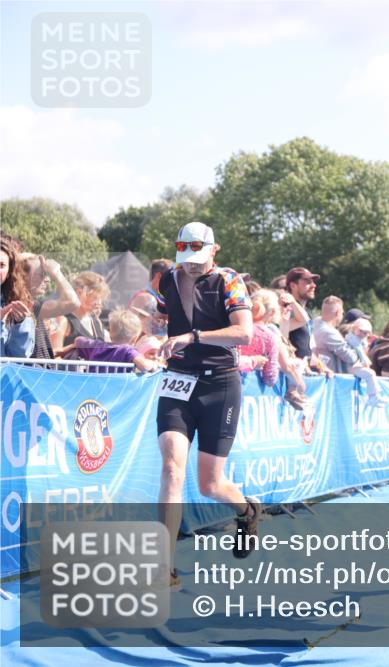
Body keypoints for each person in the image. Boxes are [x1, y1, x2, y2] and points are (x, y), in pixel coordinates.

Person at [154, 222, 258, 589]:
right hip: (177, 381)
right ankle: (164, 566)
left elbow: (244, 333)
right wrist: (150, 342)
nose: (192, 265)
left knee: (210, 484)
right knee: (171, 470)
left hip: (219, 385)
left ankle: (247, 510)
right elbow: (163, 319)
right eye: (186, 258)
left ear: (215, 250)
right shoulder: (168, 279)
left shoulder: (229, 281)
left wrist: (193, 336)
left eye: (199, 258)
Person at [313, 295, 388, 406]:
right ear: (338, 312)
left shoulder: (316, 323)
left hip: (324, 379)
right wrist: (361, 353)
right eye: (342, 312)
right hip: (331, 382)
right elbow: (350, 357)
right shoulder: (328, 332)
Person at [21, 254, 79, 360]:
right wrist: (56, 272)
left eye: (47, 274)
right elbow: (72, 302)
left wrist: (61, 351)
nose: (47, 280)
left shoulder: (30, 304)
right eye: (42, 274)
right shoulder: (26, 305)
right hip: (31, 374)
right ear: (23, 275)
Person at [73, 308, 161, 372]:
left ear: (110, 333)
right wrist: (153, 365)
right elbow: (144, 366)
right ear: (134, 338)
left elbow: (78, 340)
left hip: (93, 392)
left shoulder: (96, 345)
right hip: (116, 393)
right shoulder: (128, 351)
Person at [57, 271, 110, 356]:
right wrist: (73, 347)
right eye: (95, 297)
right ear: (79, 293)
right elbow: (54, 357)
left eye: (101, 298)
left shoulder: (96, 322)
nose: (99, 302)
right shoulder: (64, 320)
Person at [0, 238, 35, 358]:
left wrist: (20, 324)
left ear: (9, 271)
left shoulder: (12, 300)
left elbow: (17, 357)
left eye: (2, 265)